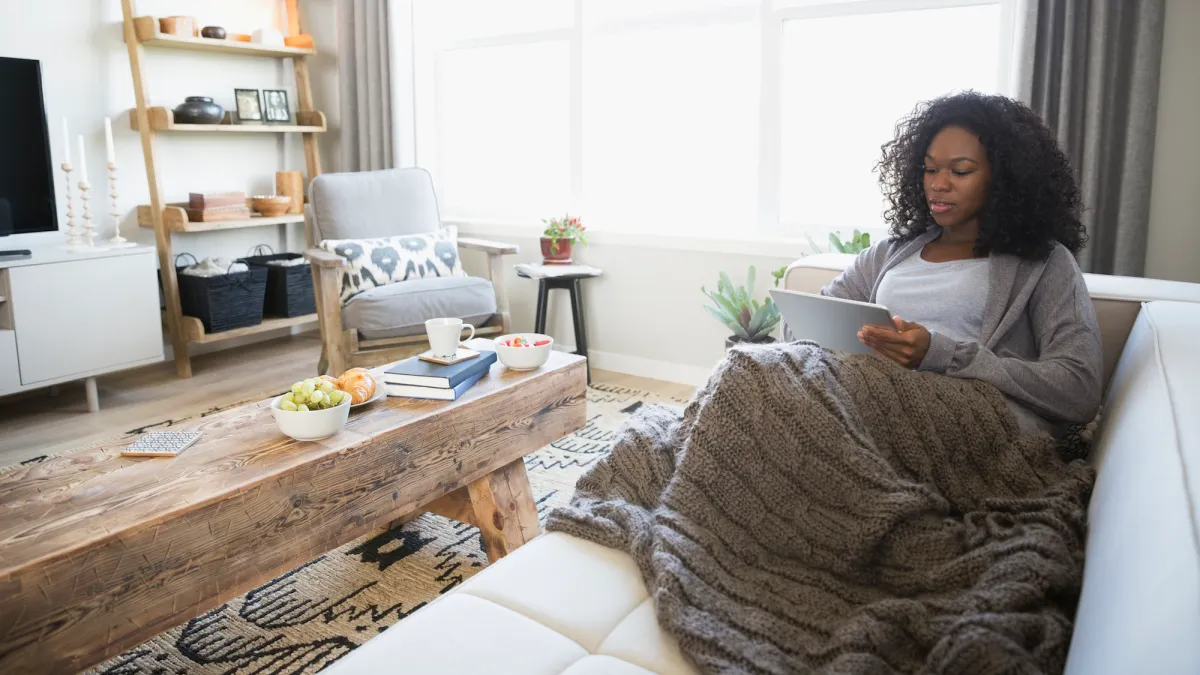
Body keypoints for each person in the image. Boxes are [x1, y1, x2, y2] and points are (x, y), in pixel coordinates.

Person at [821, 91, 1103, 436]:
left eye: (960, 170)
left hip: (962, 422)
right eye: (930, 169)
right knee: (753, 374)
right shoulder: (889, 254)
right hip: (864, 396)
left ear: (1003, 178)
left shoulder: (1043, 262)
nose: (938, 184)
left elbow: (1079, 388)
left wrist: (942, 354)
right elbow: (803, 325)